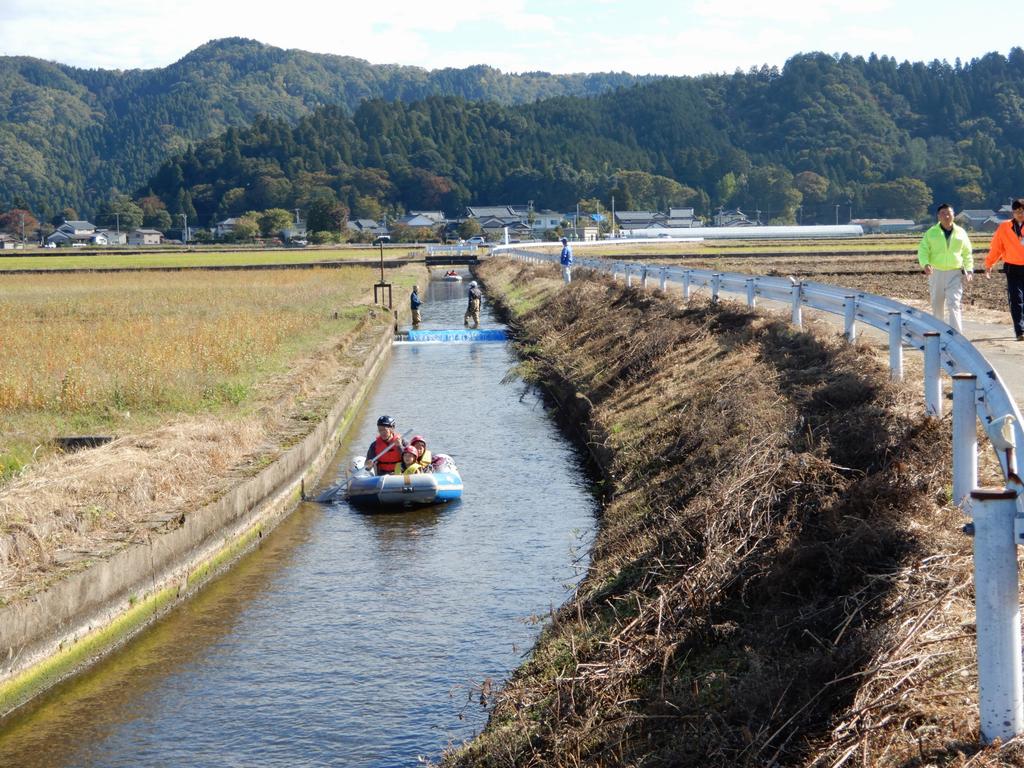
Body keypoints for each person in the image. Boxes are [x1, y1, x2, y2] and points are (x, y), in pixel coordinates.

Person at [917, 202, 973, 333]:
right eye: (943, 213)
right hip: (936, 272)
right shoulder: (931, 233)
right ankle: (938, 333)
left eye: (949, 213)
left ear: (954, 215)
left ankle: (957, 335)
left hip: (955, 273)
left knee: (954, 303)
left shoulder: (961, 232)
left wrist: (969, 270)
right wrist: (925, 264)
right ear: (938, 216)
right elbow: (923, 250)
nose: (946, 216)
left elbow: (967, 253)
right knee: (937, 304)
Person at [984, 198, 1024, 340]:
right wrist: (989, 264)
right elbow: (997, 248)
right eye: (1017, 211)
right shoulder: (1004, 227)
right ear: (1013, 212)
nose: (1020, 213)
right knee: (1016, 299)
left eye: (1023, 210)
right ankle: (1020, 331)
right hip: (1012, 268)